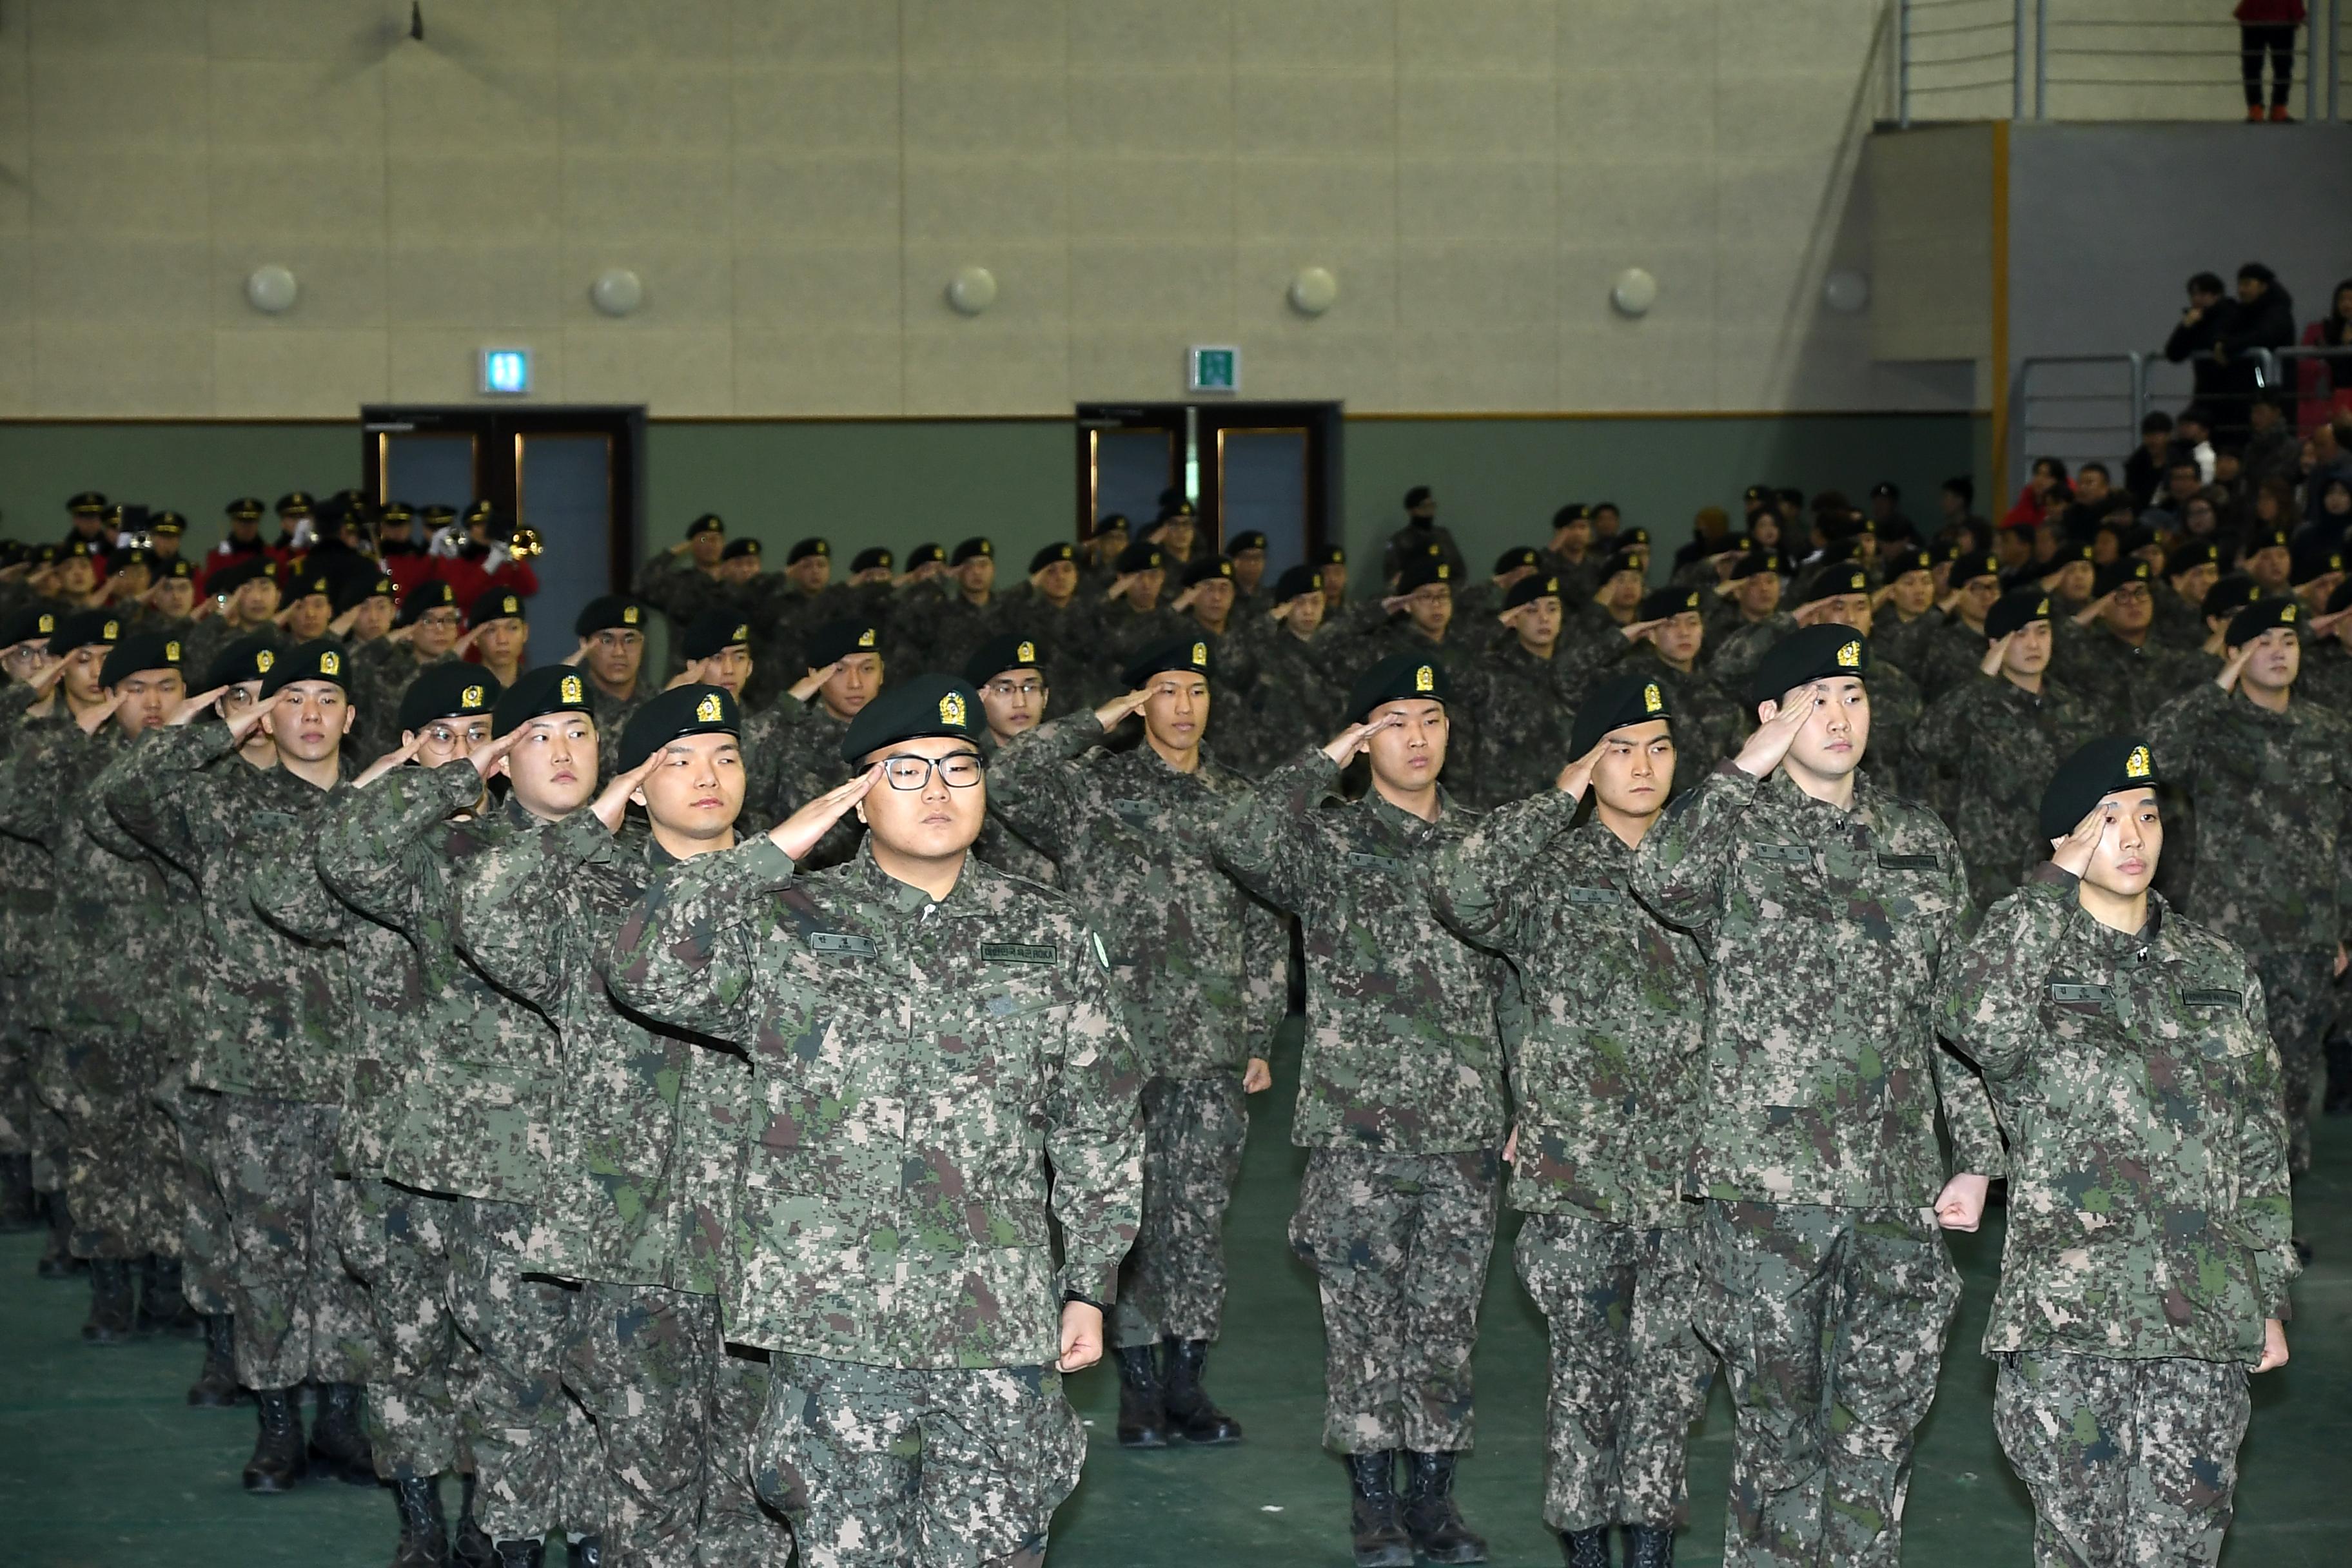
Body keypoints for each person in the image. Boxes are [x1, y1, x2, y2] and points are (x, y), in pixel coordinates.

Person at [604, 673, 1144, 1568]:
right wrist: (773, 851)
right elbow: (643, 966)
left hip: (994, 1319)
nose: (938, 790)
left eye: (960, 767)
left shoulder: (1047, 931)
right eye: (906, 771)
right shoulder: (784, 925)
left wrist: (1091, 1280)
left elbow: (1099, 1119)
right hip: (831, 1320)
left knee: (996, 1546)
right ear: (856, 794)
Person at [1630, 625, 2003, 1568]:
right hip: (1769, 1190)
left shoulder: (1920, 840)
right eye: (1816, 700)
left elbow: (1954, 1013)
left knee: (1878, 1434)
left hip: (1895, 1185)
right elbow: (1659, 876)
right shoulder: (1734, 828)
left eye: (1854, 698)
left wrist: (1977, 1160)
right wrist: (1740, 768)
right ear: (1772, 716)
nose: (1841, 717)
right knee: (1778, 1440)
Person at [1937, 735, 2295, 1567]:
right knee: (2083, 1550)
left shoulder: (2214, 965)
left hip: (2203, 1315)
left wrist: (2267, 1290)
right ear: (2065, 842)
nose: (2132, 838)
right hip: (2072, 1319)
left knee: (2182, 1550)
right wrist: (2048, 888)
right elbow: (1970, 1017)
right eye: (2106, 821)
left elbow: (2257, 1139)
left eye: (2146, 815)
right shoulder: (2027, 960)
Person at [1213, 654, 1506, 1568]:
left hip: (1464, 1128)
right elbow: (1239, 836)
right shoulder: (1329, 842)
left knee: (1447, 1326)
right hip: (1359, 1131)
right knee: (1363, 1323)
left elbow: (1519, 987)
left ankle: (1435, 1501)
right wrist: (1325, 756)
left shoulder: (1484, 841)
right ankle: (1373, 1505)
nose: (1416, 737)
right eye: (1393, 720)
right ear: (1365, 737)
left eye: (1431, 717)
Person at [1431, 673, 1713, 1568]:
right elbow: (1460, 890)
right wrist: (1558, 793)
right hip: (1576, 1171)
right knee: (1585, 1378)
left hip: (1687, 1172)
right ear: (1591, 764)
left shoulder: (1709, 869)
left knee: (1672, 1380)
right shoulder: (1548, 872)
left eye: (1660, 749)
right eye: (1620, 750)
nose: (1642, 768)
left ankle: (1654, 1547)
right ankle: (1587, 1548)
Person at [988, 638, 1283, 1451]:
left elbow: (1266, 925)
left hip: (1211, 1046)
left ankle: (1188, 1382)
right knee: (1127, 1217)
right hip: (1114, 1045)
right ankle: (1140, 1387)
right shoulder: (1092, 790)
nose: (1184, 706)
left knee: (1197, 1219)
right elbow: (1008, 778)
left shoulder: (1238, 799)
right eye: (1164, 691)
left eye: (1196, 690)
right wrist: (1096, 719)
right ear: (1140, 702)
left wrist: (1258, 1030)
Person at [247, 664, 508, 1567]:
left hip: (506, 1162)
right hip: (394, 1151)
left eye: (480, 735)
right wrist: (427, 786)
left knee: (500, 1353)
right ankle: (420, 1523)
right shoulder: (371, 857)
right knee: (405, 1347)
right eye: (442, 737)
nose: (464, 754)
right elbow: (283, 891)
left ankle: (486, 1519)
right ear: (407, 752)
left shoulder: (533, 851)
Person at [102, 640, 375, 1494]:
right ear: (265, 713)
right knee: (265, 1256)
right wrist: (212, 731)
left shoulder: (382, 812)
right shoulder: (222, 806)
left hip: (360, 1078)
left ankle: (339, 1417)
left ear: (351, 717)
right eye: (291, 699)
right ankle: (279, 1425)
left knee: (349, 1256)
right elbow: (121, 795)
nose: (310, 715)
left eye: (328, 699)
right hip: (253, 1077)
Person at [2148, 595, 2352, 1199]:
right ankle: (2218, 1208)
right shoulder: (2212, 725)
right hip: (2230, 936)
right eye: (2263, 642)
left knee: (2291, 1080)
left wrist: (2344, 927)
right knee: (2223, 1074)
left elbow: (2345, 833)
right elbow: (2155, 754)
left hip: (2310, 938)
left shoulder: (2329, 729)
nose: (2280, 652)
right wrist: (2220, 684)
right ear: (2236, 654)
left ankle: (2275, 1218)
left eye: (2289, 641)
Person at [1910, 588, 2097, 906]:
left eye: (2043, 631)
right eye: (2020, 635)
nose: (2034, 644)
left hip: (2064, 864)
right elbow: (1927, 741)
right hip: (1995, 874)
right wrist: (1983, 677)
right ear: (1996, 644)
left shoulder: (2073, 706)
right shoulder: (1976, 704)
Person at [2295, 277, 2352, 434]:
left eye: (2350, 299)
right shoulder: (2329, 329)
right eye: (2342, 299)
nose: (2346, 304)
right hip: (2336, 393)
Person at [1381, 485, 1467, 586]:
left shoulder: (1443, 536)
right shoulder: (1399, 541)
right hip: (1414, 597)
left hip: (1444, 594)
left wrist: (1447, 592)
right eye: (1424, 507)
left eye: (1432, 506)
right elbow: (1392, 578)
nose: (1430, 511)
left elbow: (1459, 571)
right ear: (1412, 511)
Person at [2235, 1, 2306, 120]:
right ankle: (2277, 108)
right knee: (2282, 66)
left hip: (2255, 16)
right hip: (2282, 16)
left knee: (2253, 65)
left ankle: (2257, 108)